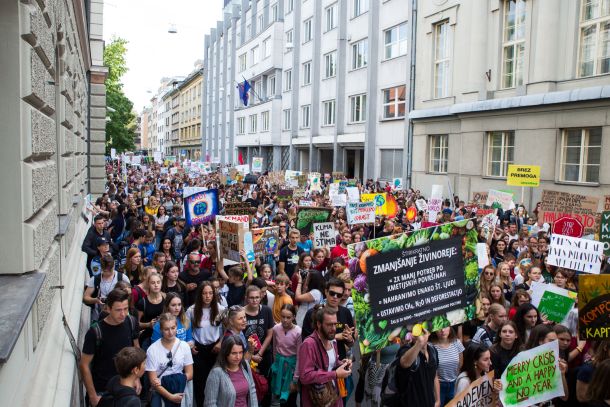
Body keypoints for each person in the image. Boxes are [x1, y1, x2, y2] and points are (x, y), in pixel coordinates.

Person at [80, 289, 140, 407]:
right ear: (108, 308)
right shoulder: (95, 332)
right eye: (118, 310)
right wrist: (93, 396)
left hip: (125, 390)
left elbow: (136, 351)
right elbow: (84, 365)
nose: (123, 314)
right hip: (103, 392)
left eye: (126, 309)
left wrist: (136, 378)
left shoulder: (131, 322)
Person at [297, 306, 352, 407]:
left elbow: (330, 364)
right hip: (317, 401)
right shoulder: (309, 344)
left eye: (335, 324)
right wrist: (335, 374)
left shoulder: (332, 341)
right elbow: (305, 377)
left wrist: (342, 364)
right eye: (329, 325)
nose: (334, 329)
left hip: (334, 397)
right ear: (319, 324)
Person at [188, 282, 225, 407]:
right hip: (199, 348)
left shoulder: (220, 309)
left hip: (215, 348)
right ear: (200, 295)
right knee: (200, 382)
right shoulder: (192, 310)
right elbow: (188, 329)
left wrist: (220, 342)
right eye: (204, 293)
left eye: (210, 293)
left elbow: (227, 328)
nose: (207, 296)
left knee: (216, 379)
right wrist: (191, 344)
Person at [145, 313, 194, 407]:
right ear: (160, 330)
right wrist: (170, 396)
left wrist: (167, 381)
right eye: (166, 329)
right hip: (160, 392)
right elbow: (153, 380)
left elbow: (190, 374)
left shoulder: (184, 346)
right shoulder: (152, 350)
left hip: (180, 389)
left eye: (173, 328)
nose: (171, 332)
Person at [301, 278, 355, 361]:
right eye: (332, 293)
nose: (335, 297)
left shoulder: (346, 313)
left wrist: (349, 339)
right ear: (326, 292)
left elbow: (351, 343)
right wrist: (336, 337)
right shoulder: (312, 314)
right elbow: (306, 342)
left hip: (339, 363)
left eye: (339, 295)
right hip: (317, 363)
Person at [204, 334, 259, 407]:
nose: (238, 357)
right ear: (225, 353)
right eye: (234, 353)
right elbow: (210, 403)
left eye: (240, 352)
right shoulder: (216, 373)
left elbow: (252, 391)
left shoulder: (245, 365)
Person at [395, 328, 440, 407]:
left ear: (428, 333)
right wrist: (419, 344)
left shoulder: (433, 350)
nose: (418, 335)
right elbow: (404, 363)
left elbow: (435, 376)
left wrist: (438, 400)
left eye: (421, 331)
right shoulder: (405, 350)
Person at [83, 253, 131, 322]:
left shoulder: (122, 277)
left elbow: (130, 295)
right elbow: (85, 298)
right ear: (101, 268)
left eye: (110, 270)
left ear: (114, 265)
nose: (108, 273)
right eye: (105, 271)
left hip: (119, 315)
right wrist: (96, 300)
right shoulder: (95, 279)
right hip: (100, 316)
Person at [270, 304, 301, 407]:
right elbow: (275, 348)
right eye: (283, 316)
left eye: (288, 317)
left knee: (290, 399)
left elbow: (299, 357)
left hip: (291, 370)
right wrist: (275, 366)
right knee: (279, 398)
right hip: (279, 367)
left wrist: (295, 379)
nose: (285, 320)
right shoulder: (276, 329)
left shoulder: (298, 332)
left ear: (293, 317)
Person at [430, 327, 464, 405]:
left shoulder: (456, 342)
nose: (442, 330)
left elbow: (461, 362)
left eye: (445, 327)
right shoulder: (431, 347)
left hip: (455, 383)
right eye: (439, 328)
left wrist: (456, 376)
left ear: (450, 328)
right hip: (439, 386)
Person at [136, 272, 166, 350]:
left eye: (158, 282)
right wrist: (148, 324)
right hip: (148, 338)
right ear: (148, 284)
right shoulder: (142, 302)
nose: (156, 285)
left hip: (165, 337)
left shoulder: (166, 298)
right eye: (153, 283)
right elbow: (135, 324)